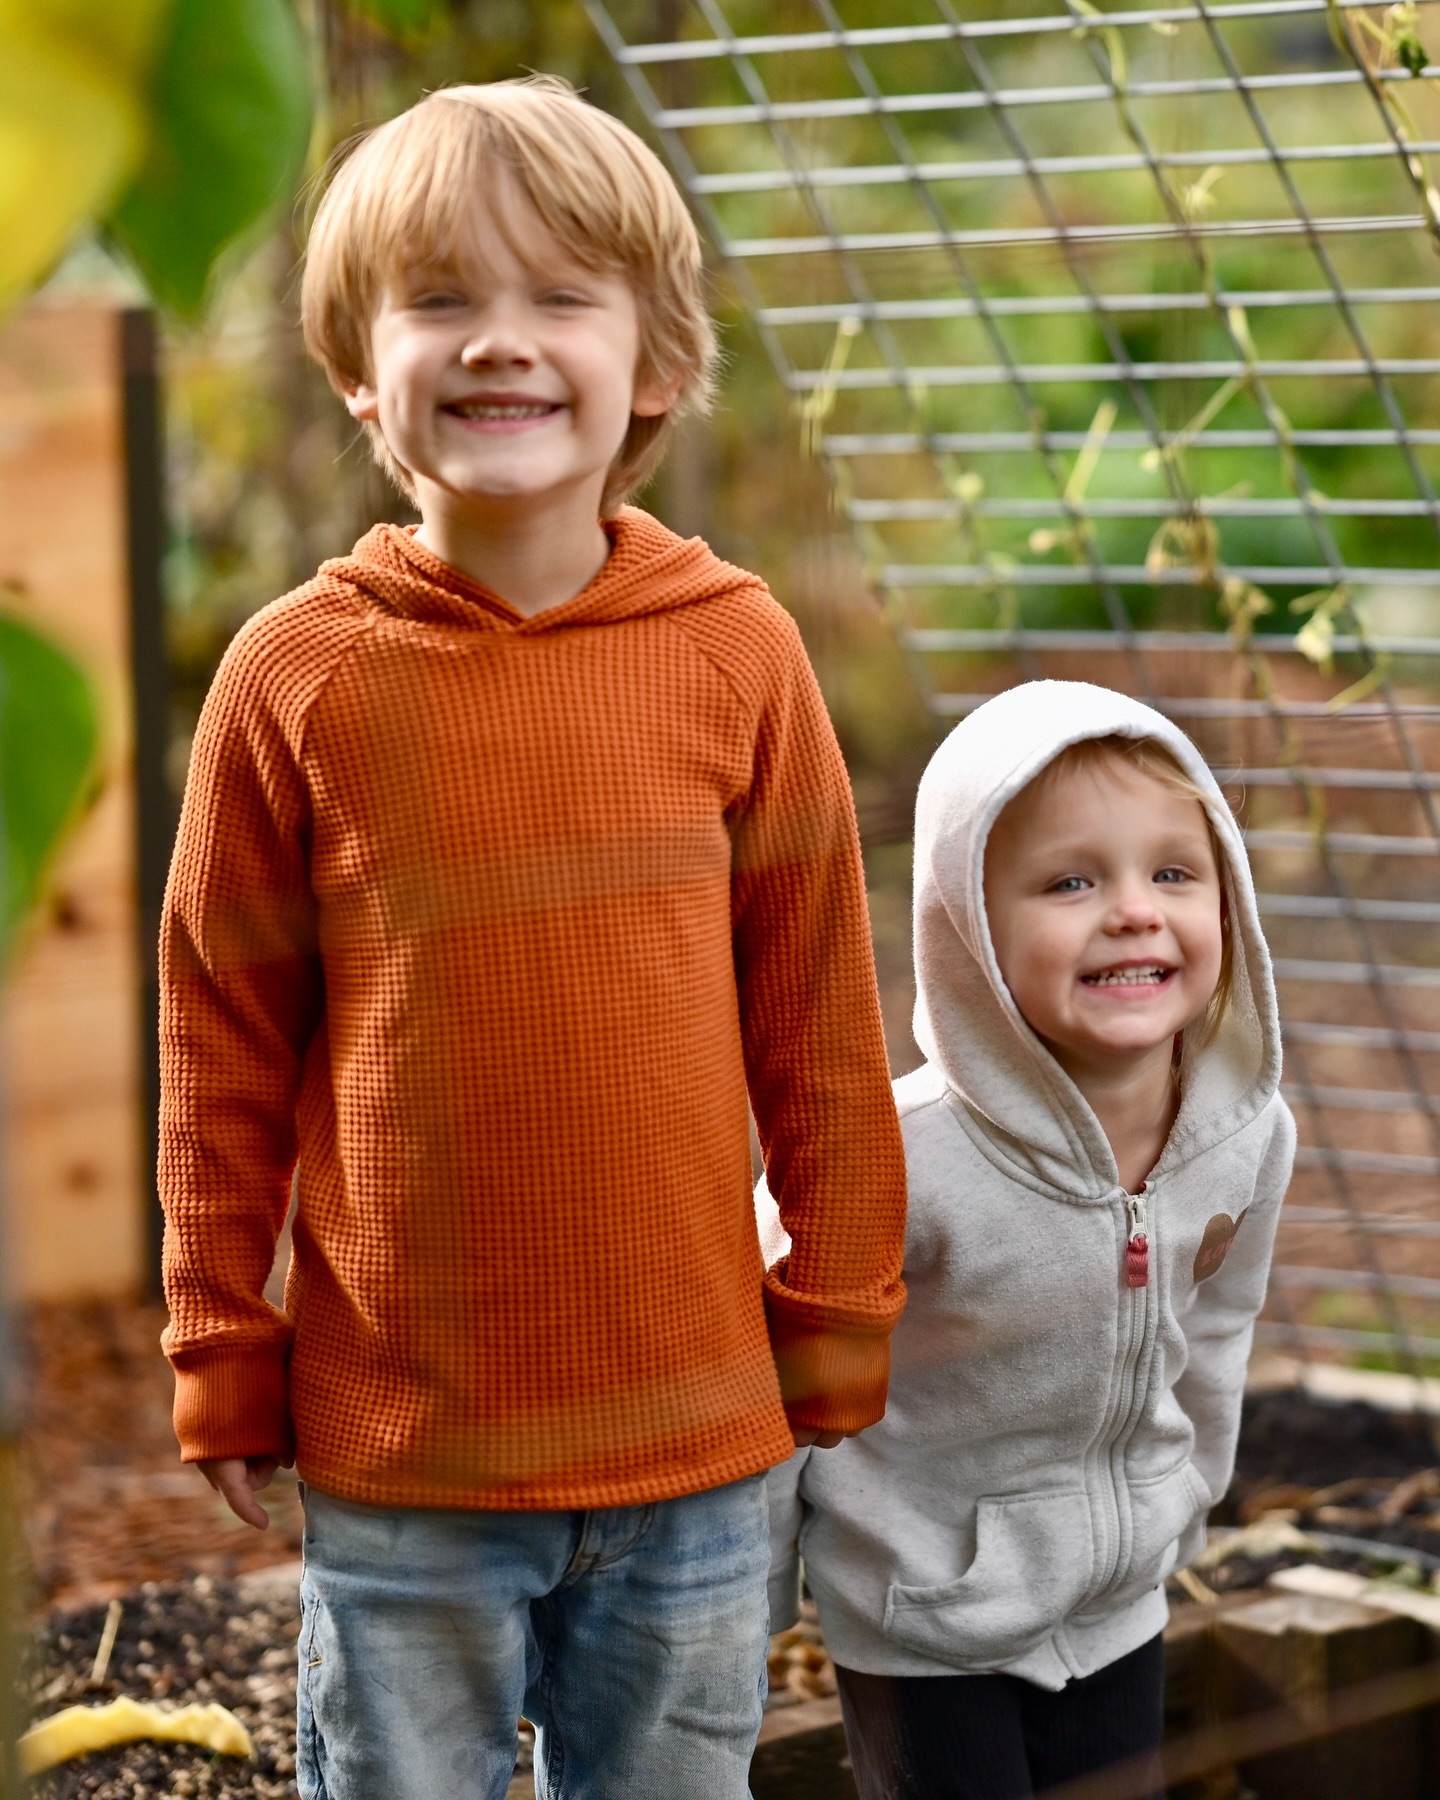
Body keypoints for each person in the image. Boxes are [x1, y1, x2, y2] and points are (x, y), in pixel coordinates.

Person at [157, 76, 907, 1800]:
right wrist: (220, 1333)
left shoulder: (735, 653)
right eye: (440, 300)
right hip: (405, 1459)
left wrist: (840, 1310)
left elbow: (817, 1015)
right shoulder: (299, 676)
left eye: (559, 295)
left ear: (653, 364)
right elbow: (223, 1037)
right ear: (360, 368)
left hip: (701, 1456)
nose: (501, 343)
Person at [761, 680, 1295, 1800]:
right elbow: (779, 1375)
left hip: (1118, 1598)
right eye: (1071, 881)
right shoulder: (893, 1160)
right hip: (926, 1616)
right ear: (969, 922)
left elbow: (1224, 1321)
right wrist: (744, 1602)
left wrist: (1186, 1497)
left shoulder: (1244, 1133)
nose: (1135, 910)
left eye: (1172, 873)